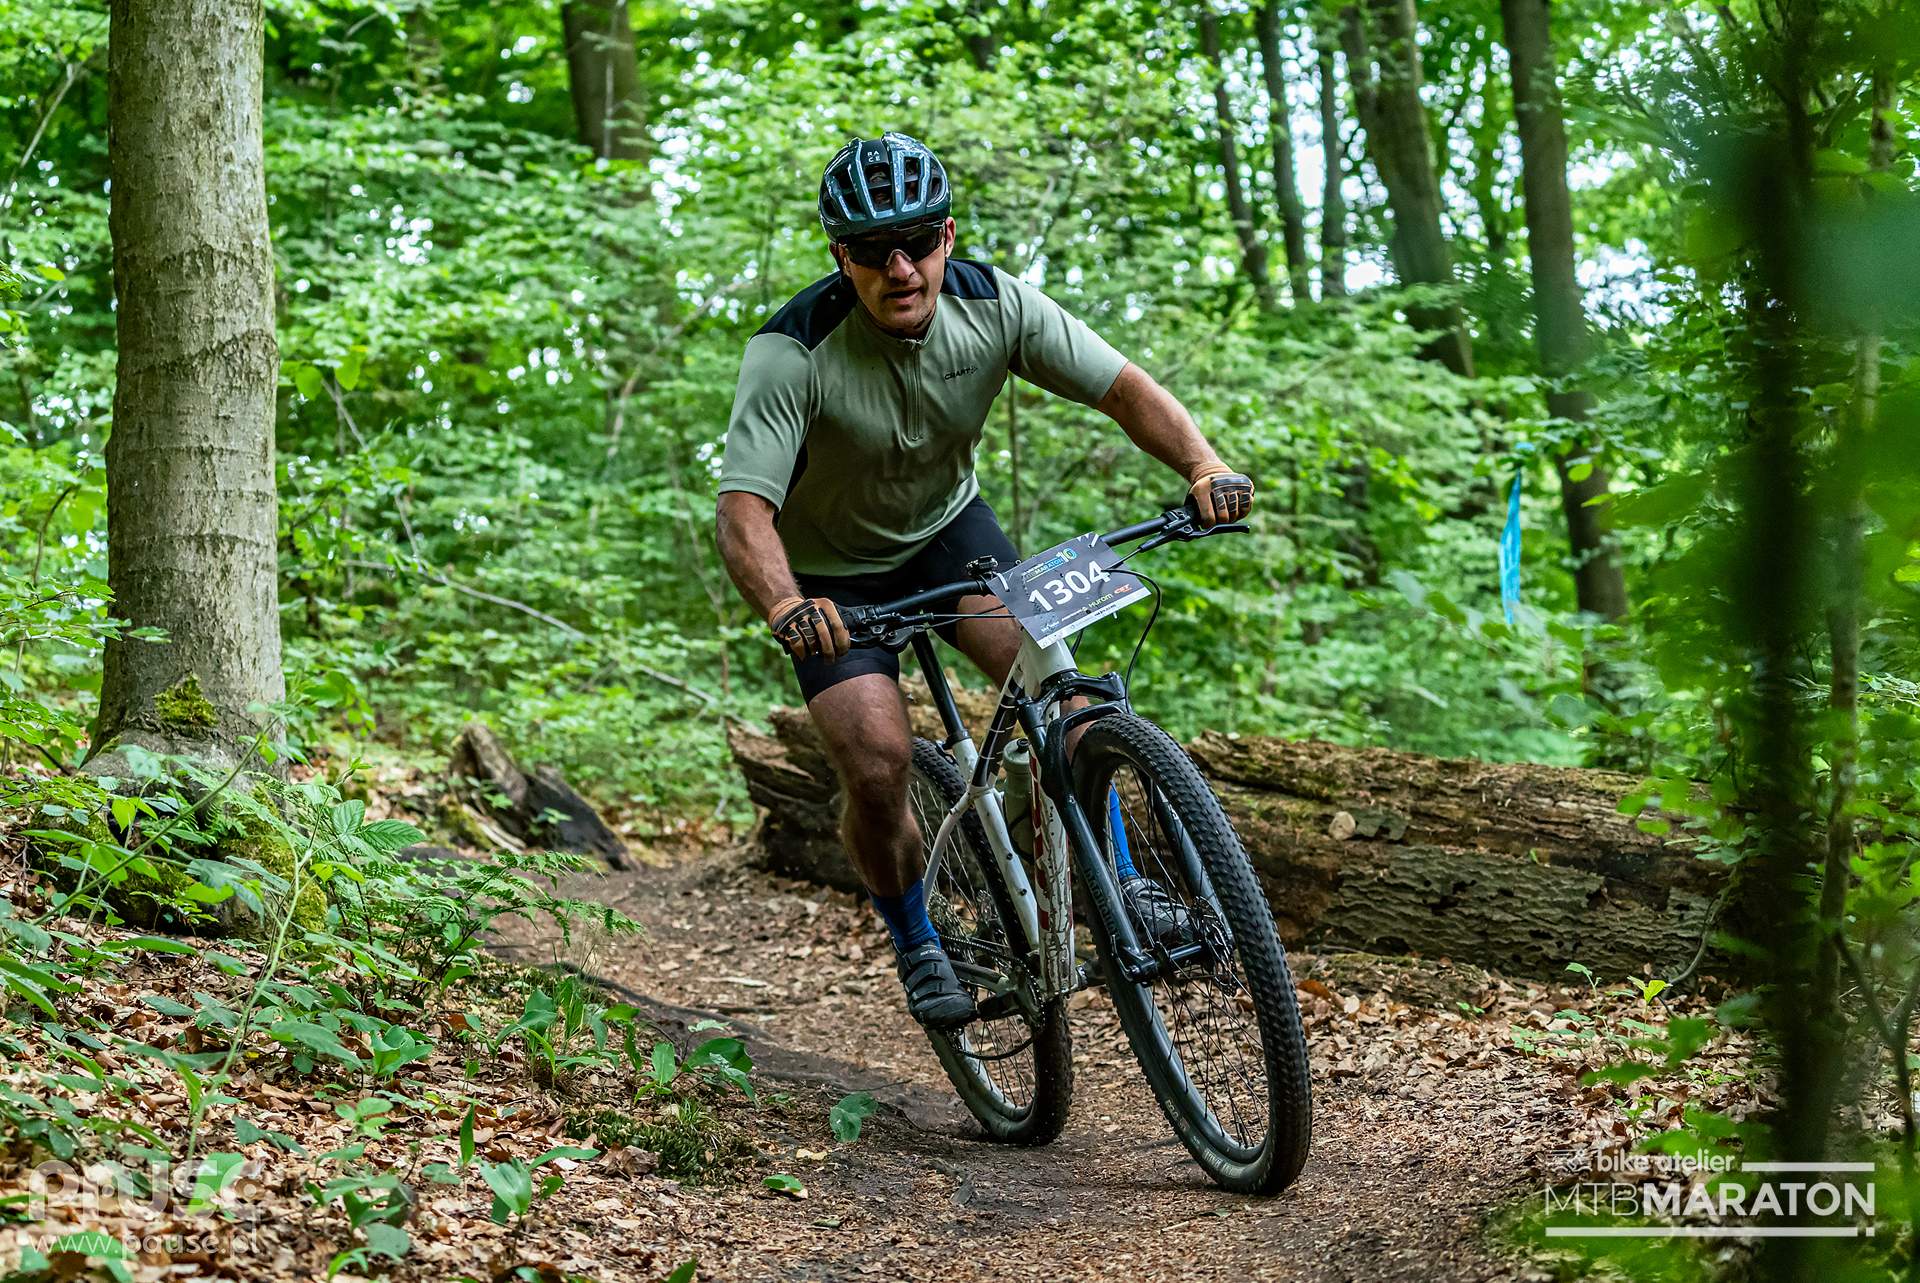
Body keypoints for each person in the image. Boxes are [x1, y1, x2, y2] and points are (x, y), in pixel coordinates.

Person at [714, 132, 1253, 1028]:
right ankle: (916, 936)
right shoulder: (791, 352)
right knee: (877, 765)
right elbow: (742, 512)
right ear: (840, 257)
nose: (900, 267)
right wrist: (785, 603)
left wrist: (1203, 464)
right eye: (873, 250)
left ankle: (1123, 880)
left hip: (949, 536)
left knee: (1067, 693)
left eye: (917, 240)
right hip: (832, 580)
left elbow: (1123, 389)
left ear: (948, 236)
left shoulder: (996, 303)